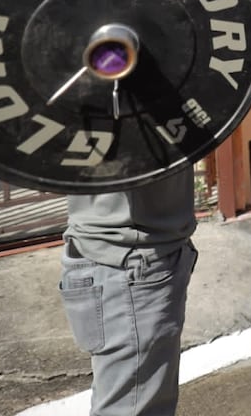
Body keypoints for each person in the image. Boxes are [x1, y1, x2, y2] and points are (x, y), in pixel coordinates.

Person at [59, 166, 199, 416]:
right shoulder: (127, 129)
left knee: (136, 401)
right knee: (133, 407)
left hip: (115, 255)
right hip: (132, 266)